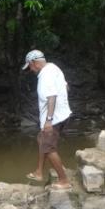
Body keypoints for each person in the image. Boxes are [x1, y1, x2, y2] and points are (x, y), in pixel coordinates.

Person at [23, 49, 71, 188]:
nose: (31, 70)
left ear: (34, 62)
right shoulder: (54, 67)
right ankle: (39, 172)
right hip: (63, 114)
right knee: (41, 139)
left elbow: (51, 97)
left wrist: (49, 120)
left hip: (54, 119)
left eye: (30, 67)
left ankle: (64, 180)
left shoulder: (45, 75)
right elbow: (66, 86)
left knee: (49, 148)